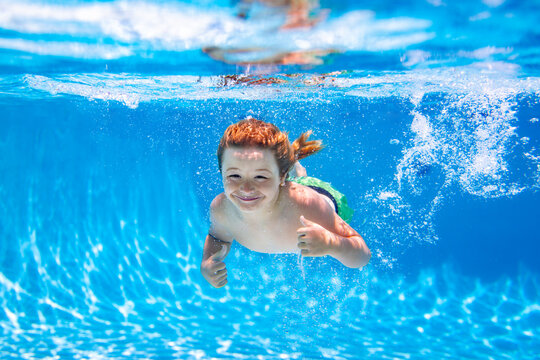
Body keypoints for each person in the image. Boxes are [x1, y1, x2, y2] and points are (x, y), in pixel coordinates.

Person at [201, 117, 371, 288]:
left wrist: (332, 243)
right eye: (234, 176)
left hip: (322, 195)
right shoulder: (222, 209)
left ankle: (300, 174)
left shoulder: (307, 207)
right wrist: (207, 262)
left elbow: (362, 256)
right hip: (283, 188)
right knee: (298, 180)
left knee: (305, 182)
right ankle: (296, 171)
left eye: (260, 177)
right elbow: (217, 237)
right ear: (221, 173)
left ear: (282, 177)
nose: (246, 188)